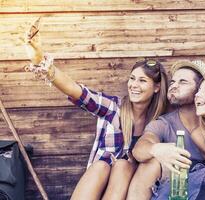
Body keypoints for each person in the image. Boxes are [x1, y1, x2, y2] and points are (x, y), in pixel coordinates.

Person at [23, 18, 168, 200]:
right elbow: (77, 91)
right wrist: (41, 61)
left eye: (142, 80)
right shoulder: (114, 108)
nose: (134, 85)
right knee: (102, 165)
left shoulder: (159, 123)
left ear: (156, 88)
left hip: (132, 190)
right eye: (132, 78)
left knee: (123, 166)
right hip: (97, 183)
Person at [127, 60, 205, 200]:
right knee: (150, 162)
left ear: (200, 89)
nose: (174, 86)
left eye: (183, 82)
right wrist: (157, 149)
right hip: (175, 191)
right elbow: (139, 149)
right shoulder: (164, 123)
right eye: (172, 82)